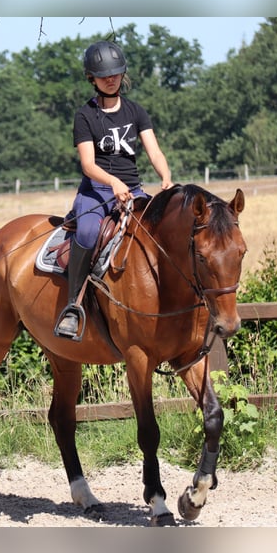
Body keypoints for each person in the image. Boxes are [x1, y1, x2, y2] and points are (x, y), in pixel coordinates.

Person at [54, 39, 174, 340]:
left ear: (123, 74)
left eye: (115, 73)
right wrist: (113, 182)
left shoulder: (136, 111)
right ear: (91, 79)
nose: (111, 79)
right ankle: (73, 305)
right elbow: (88, 165)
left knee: (161, 230)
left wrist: (166, 176)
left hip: (133, 190)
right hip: (96, 191)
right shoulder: (85, 115)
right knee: (86, 234)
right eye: (103, 75)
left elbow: (154, 151)